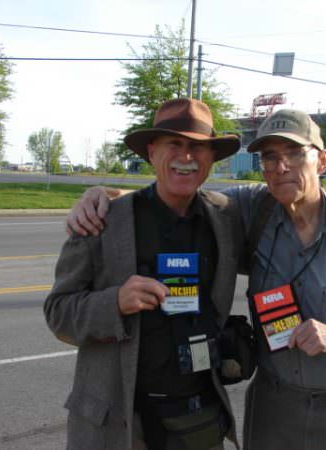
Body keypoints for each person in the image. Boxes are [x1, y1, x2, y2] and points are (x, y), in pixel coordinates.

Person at [67, 109, 326, 450]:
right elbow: (179, 189)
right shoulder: (253, 209)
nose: (281, 167)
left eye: (295, 154)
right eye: (269, 157)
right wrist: (104, 195)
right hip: (276, 408)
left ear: (323, 160)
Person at [44, 98, 246, 450]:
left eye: (198, 147)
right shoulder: (102, 221)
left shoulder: (226, 218)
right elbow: (58, 313)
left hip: (198, 420)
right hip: (119, 423)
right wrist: (115, 302)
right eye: (174, 144)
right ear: (152, 153)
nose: (186, 157)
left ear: (212, 158)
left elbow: (290, 199)